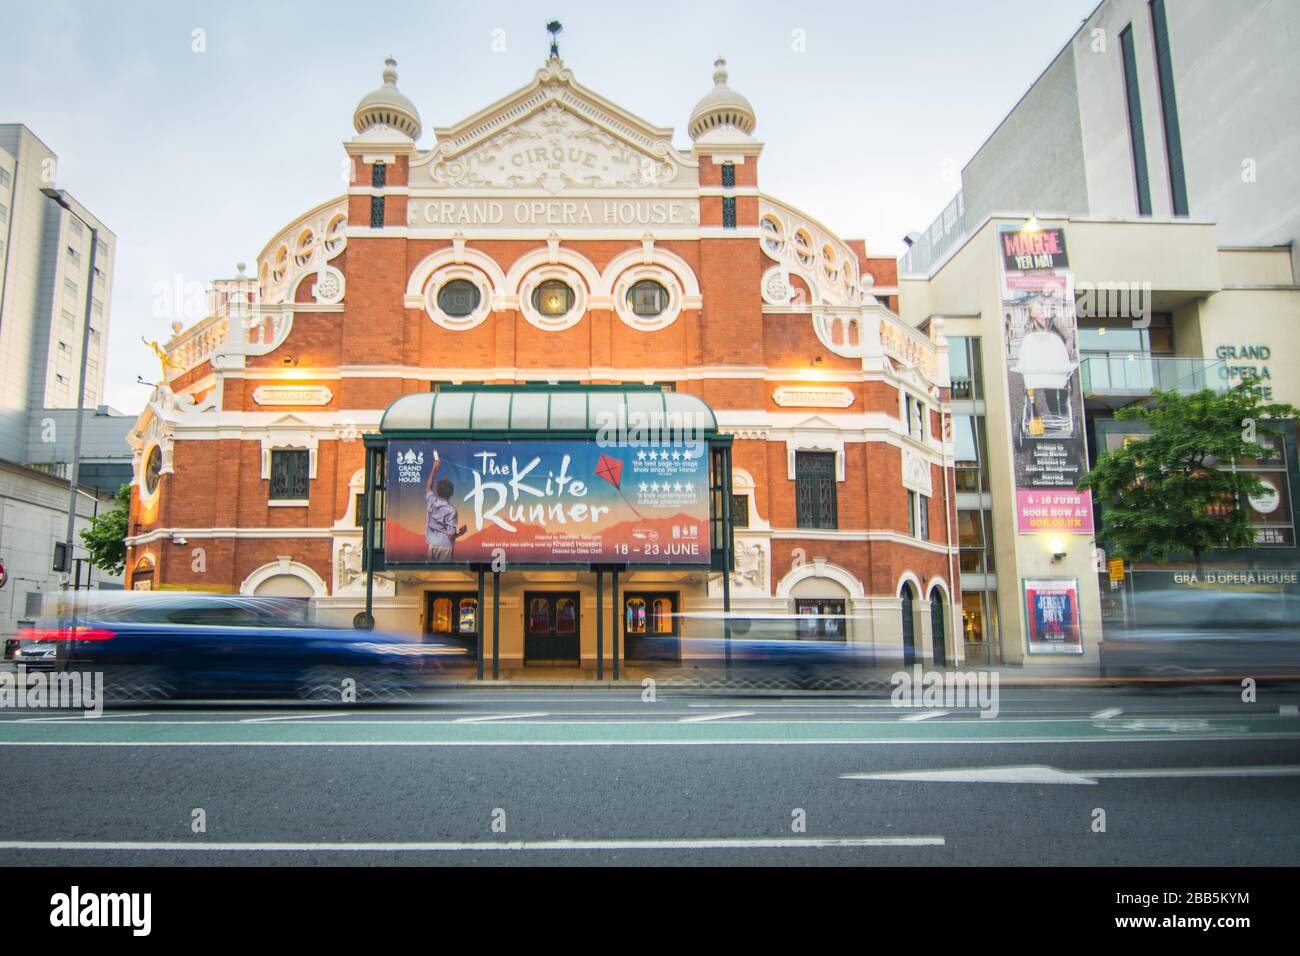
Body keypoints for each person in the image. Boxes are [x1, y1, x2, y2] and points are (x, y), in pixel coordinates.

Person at [425, 455, 467, 562]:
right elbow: (450, 535)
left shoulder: (432, 502)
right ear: (451, 493)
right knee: (443, 572)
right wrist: (460, 533)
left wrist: (434, 469)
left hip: (432, 545)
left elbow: (428, 487)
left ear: (438, 491)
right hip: (445, 546)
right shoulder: (451, 511)